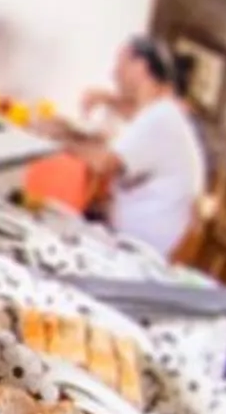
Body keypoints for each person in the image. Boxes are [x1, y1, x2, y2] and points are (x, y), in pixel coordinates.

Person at [65, 35, 207, 257]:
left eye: (120, 65)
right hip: (132, 240)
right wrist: (106, 100)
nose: (113, 74)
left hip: (140, 251)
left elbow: (105, 164)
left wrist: (57, 143)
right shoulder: (162, 113)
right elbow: (131, 117)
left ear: (139, 67)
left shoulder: (161, 118)